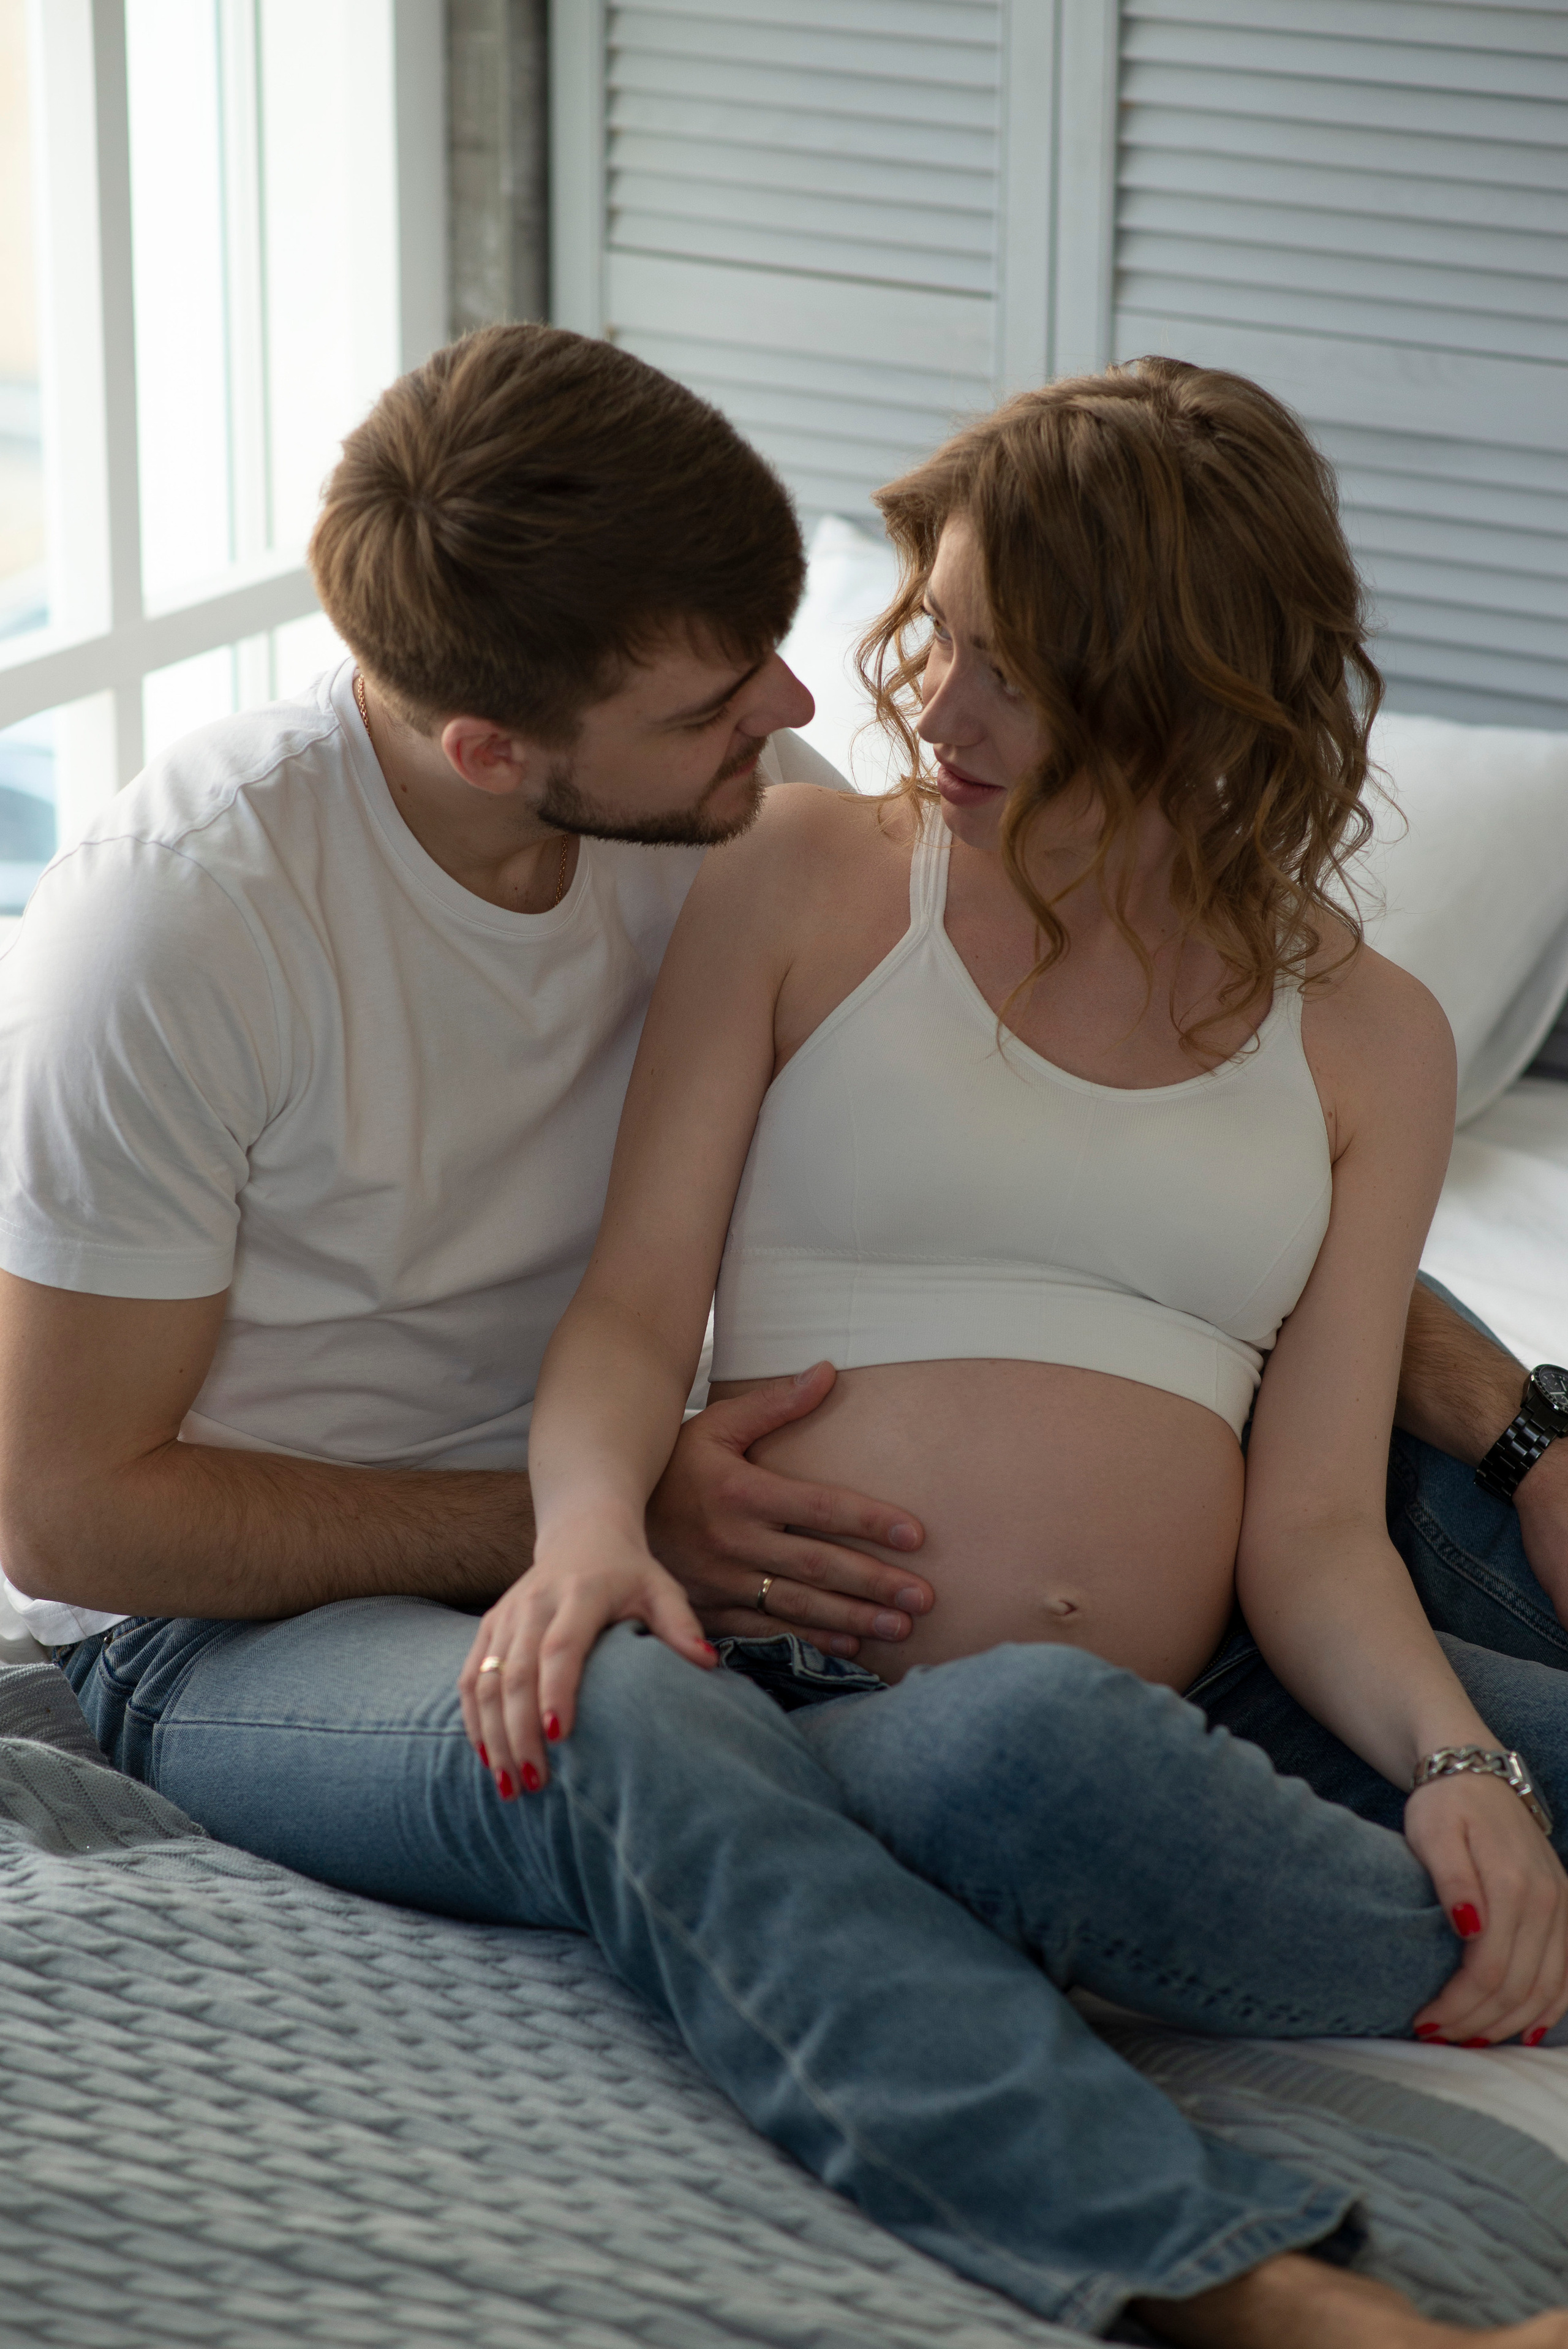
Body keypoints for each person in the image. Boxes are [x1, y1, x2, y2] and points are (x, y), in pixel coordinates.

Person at [0, 323, 1561, 2347]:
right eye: (720, 696)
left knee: (1450, 1593)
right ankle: (1255, 2284)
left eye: (785, 645)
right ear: (497, 746)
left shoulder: (746, 799)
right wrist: (598, 1524)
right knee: (670, 1720)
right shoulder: (189, 923)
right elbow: (71, 1515)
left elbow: (1159, 1208)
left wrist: (1522, 1440)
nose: (820, 704)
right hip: (306, 1614)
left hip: (768, 1548)